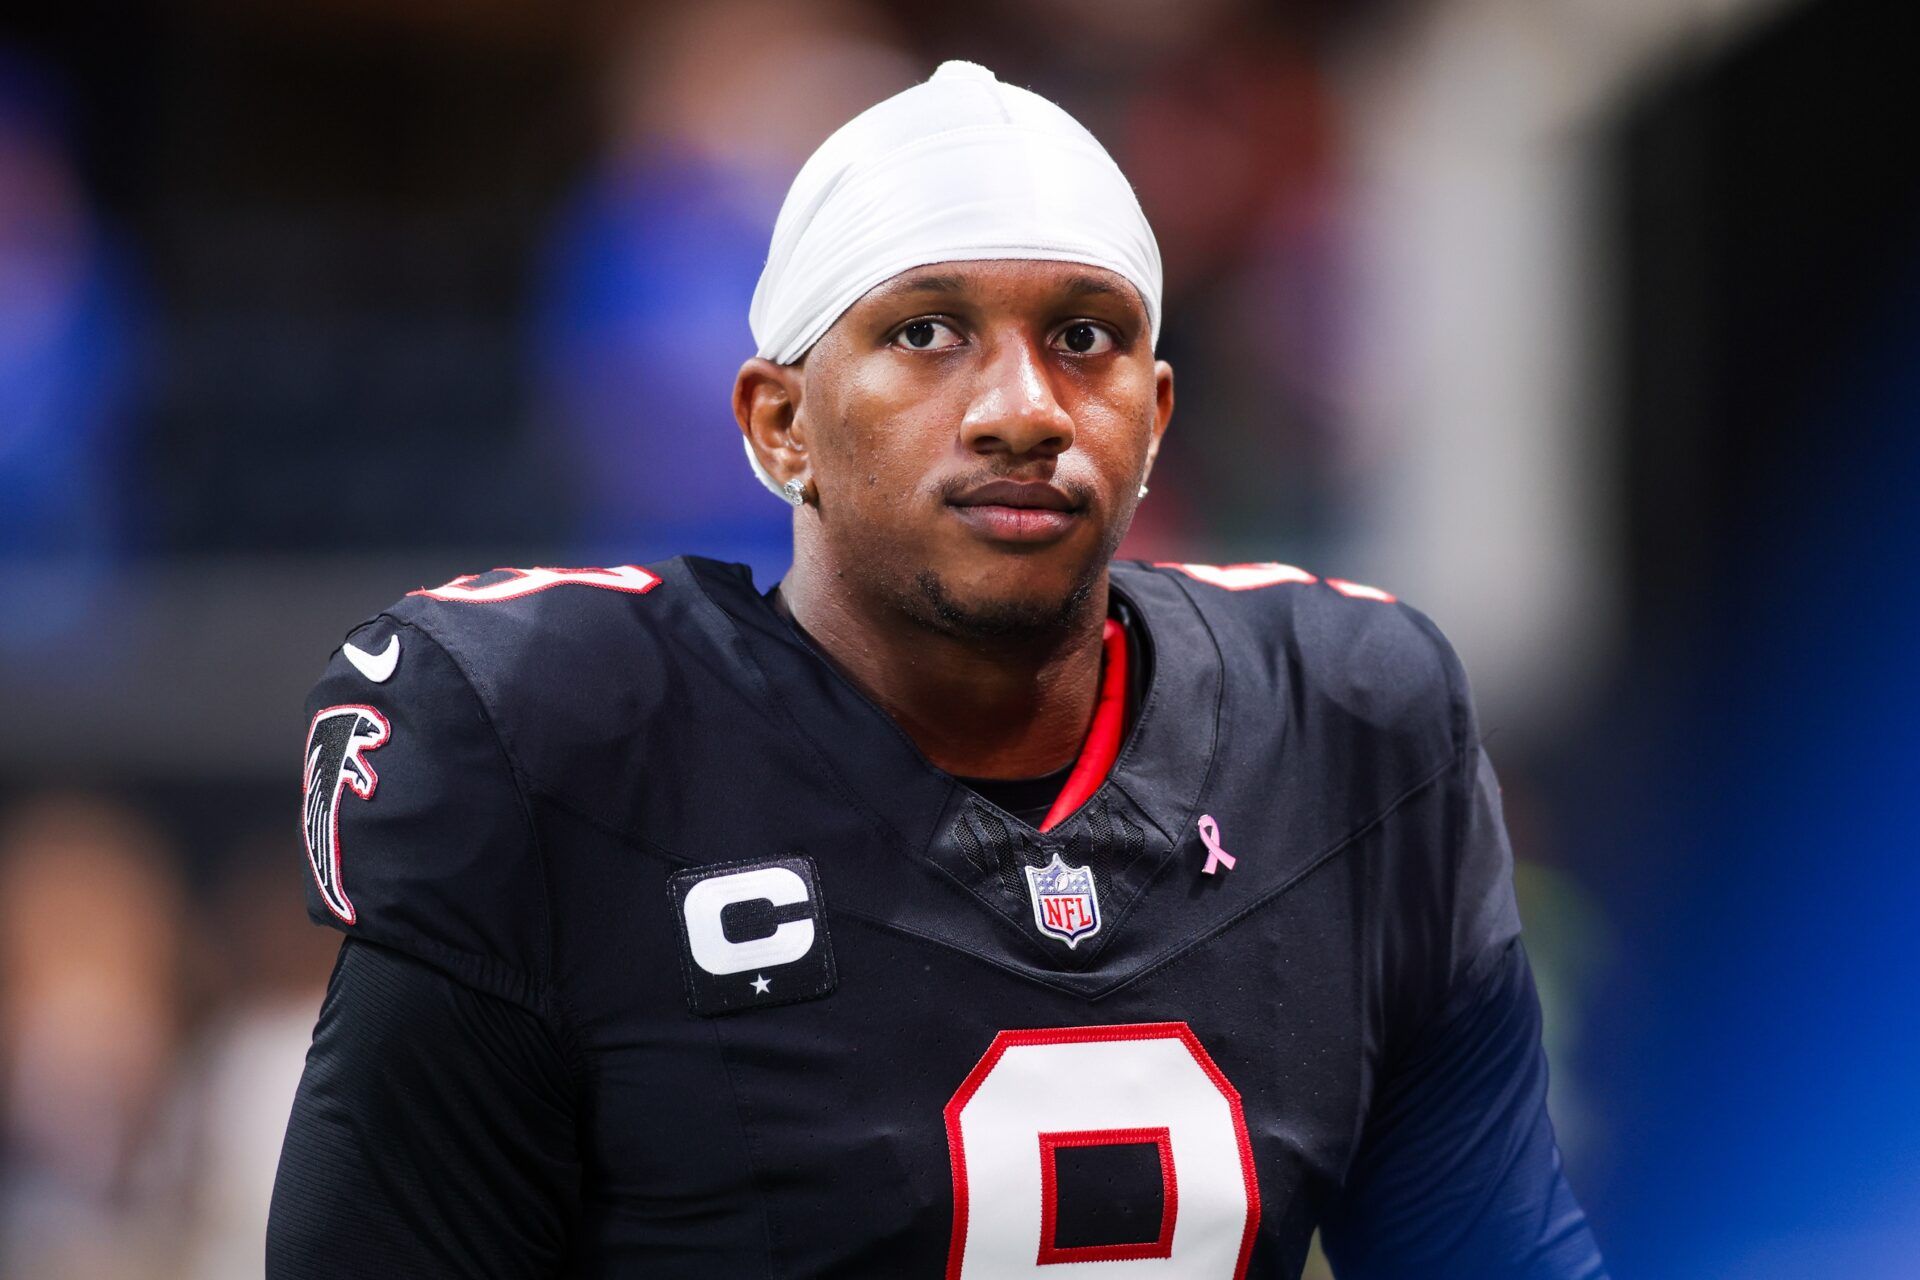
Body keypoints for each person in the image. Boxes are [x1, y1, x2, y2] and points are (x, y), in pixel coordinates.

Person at [268, 61, 1606, 1279]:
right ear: (778, 421)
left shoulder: (1347, 727)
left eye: (1085, 337)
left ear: (1156, 416)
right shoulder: (557, 746)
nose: (1022, 407)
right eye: (926, 333)